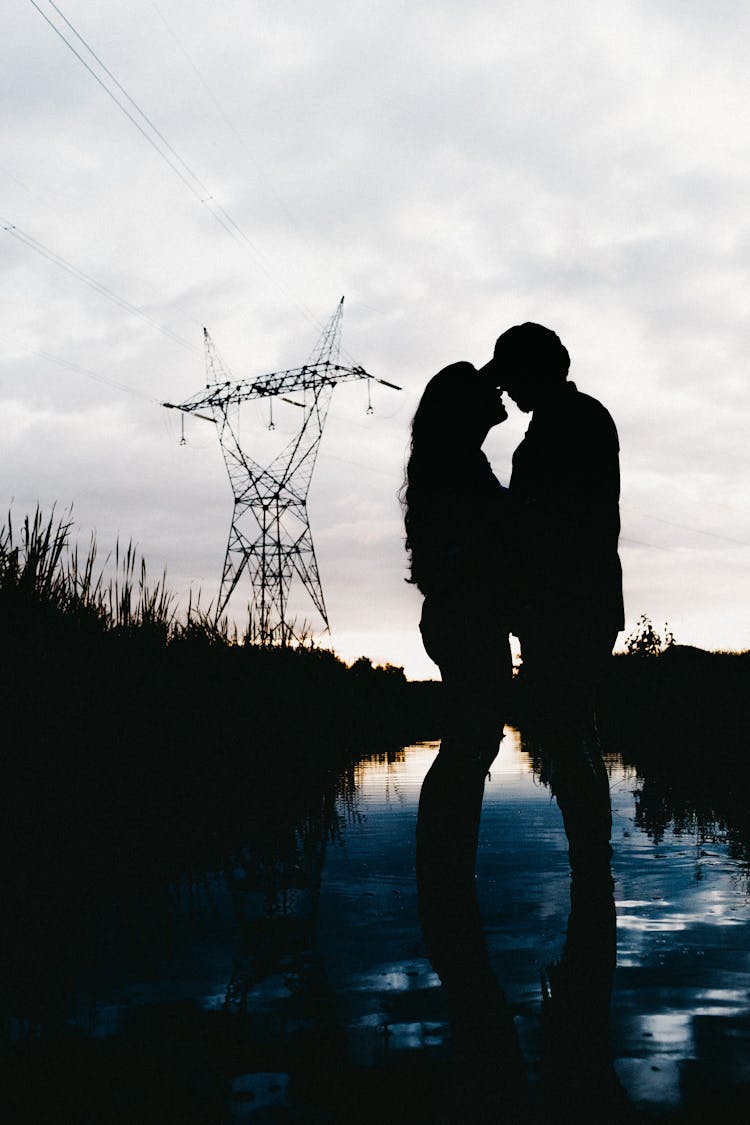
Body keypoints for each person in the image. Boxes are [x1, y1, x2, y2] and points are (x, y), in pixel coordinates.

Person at [403, 361, 527, 1117]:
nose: (499, 394)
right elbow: (489, 539)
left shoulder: (454, 459)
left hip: (462, 616)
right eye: (488, 389)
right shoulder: (460, 464)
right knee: (469, 746)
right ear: (466, 407)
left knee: (469, 745)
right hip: (466, 617)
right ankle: (445, 874)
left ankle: (446, 873)